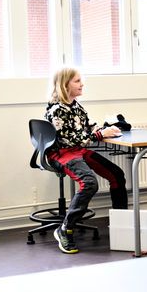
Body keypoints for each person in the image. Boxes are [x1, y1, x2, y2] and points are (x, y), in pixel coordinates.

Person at [45, 67, 128, 254]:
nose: (82, 84)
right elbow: (69, 139)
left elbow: (87, 126)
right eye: (77, 81)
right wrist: (99, 134)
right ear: (65, 85)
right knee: (89, 183)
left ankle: (121, 224)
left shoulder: (75, 105)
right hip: (62, 153)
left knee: (117, 174)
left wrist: (107, 129)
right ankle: (65, 229)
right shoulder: (57, 110)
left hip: (78, 150)